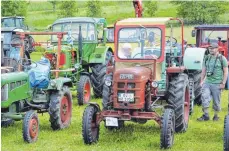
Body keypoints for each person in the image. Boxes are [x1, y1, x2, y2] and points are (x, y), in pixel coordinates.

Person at [197, 42, 228, 121]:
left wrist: (223, 83)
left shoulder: (222, 58)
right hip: (207, 82)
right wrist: (201, 81)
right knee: (204, 98)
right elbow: (203, 71)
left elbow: (225, 72)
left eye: (213, 48)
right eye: (210, 48)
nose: (211, 50)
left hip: (217, 83)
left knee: (216, 101)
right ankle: (206, 115)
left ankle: (216, 116)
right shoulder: (207, 58)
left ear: (217, 49)